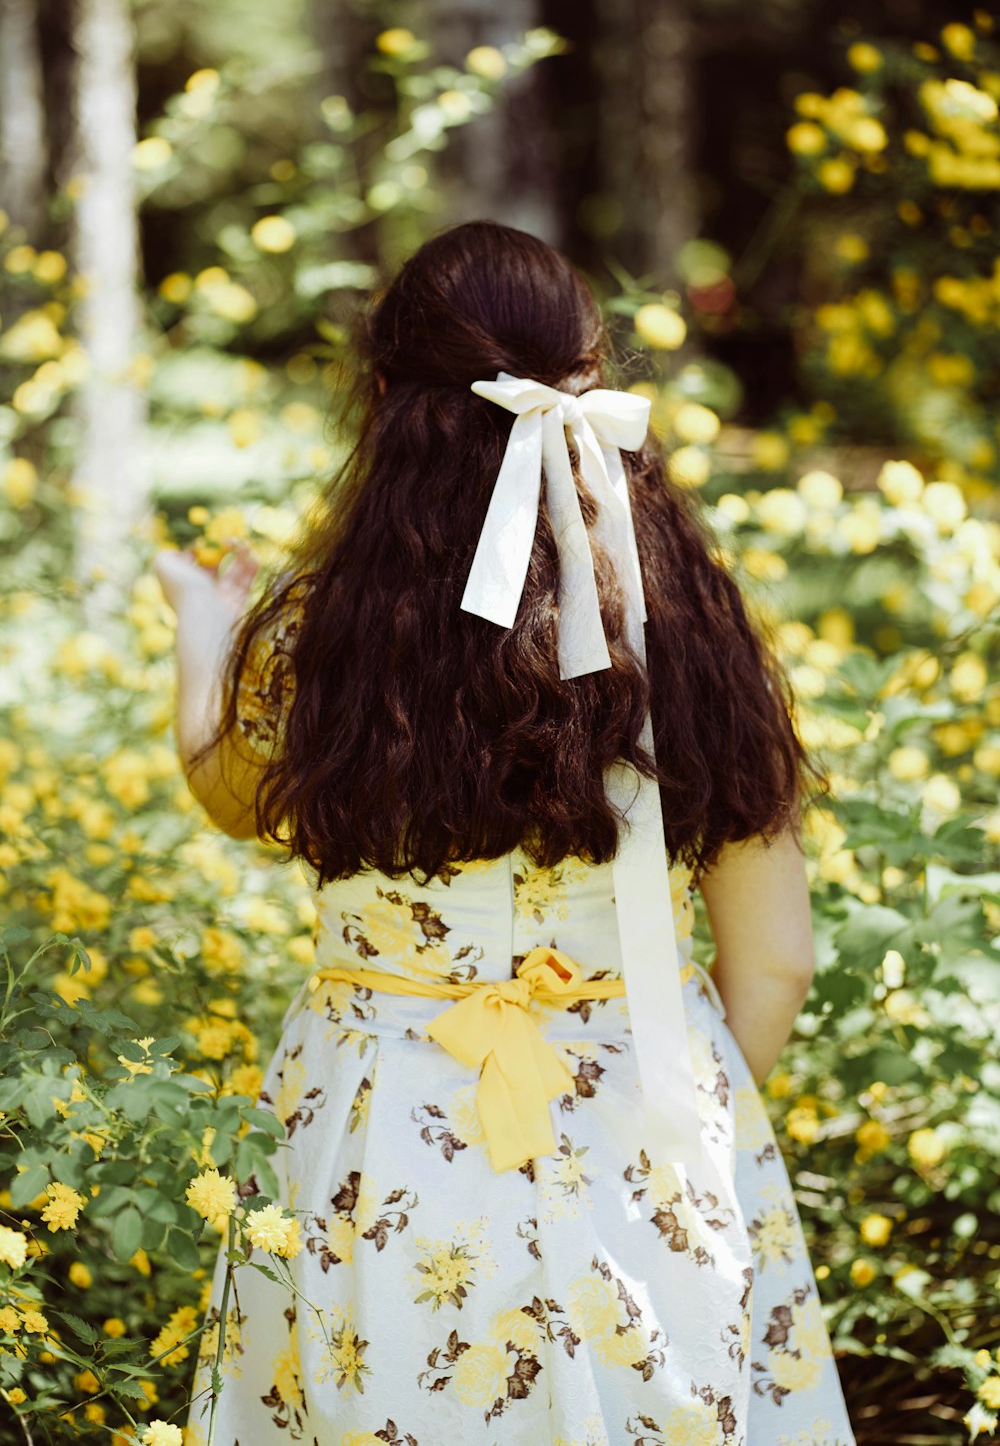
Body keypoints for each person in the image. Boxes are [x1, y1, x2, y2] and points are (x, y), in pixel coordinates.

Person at [155, 221, 856, 1446]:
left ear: (382, 397)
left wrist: (205, 636)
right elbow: (778, 958)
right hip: (642, 1128)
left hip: (379, 1132)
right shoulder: (688, 629)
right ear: (590, 374)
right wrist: (680, 1100)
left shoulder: (317, 635)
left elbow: (238, 794)